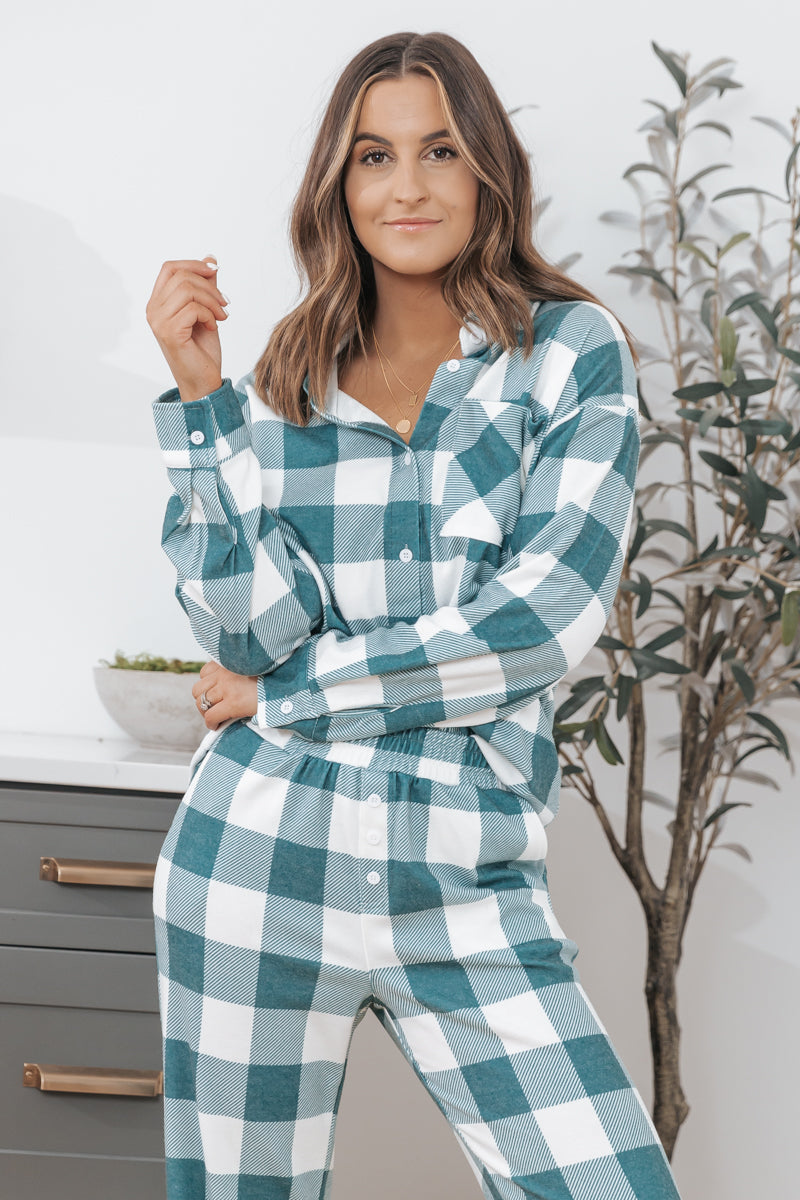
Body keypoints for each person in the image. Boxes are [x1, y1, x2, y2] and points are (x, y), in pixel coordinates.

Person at [146, 30, 682, 1200]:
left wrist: (295, 695)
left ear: (485, 166)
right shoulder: (283, 379)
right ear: (337, 187)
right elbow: (249, 634)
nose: (407, 186)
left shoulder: (565, 356)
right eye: (373, 156)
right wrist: (201, 404)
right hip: (257, 863)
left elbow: (535, 626)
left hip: (465, 877)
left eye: (438, 149)